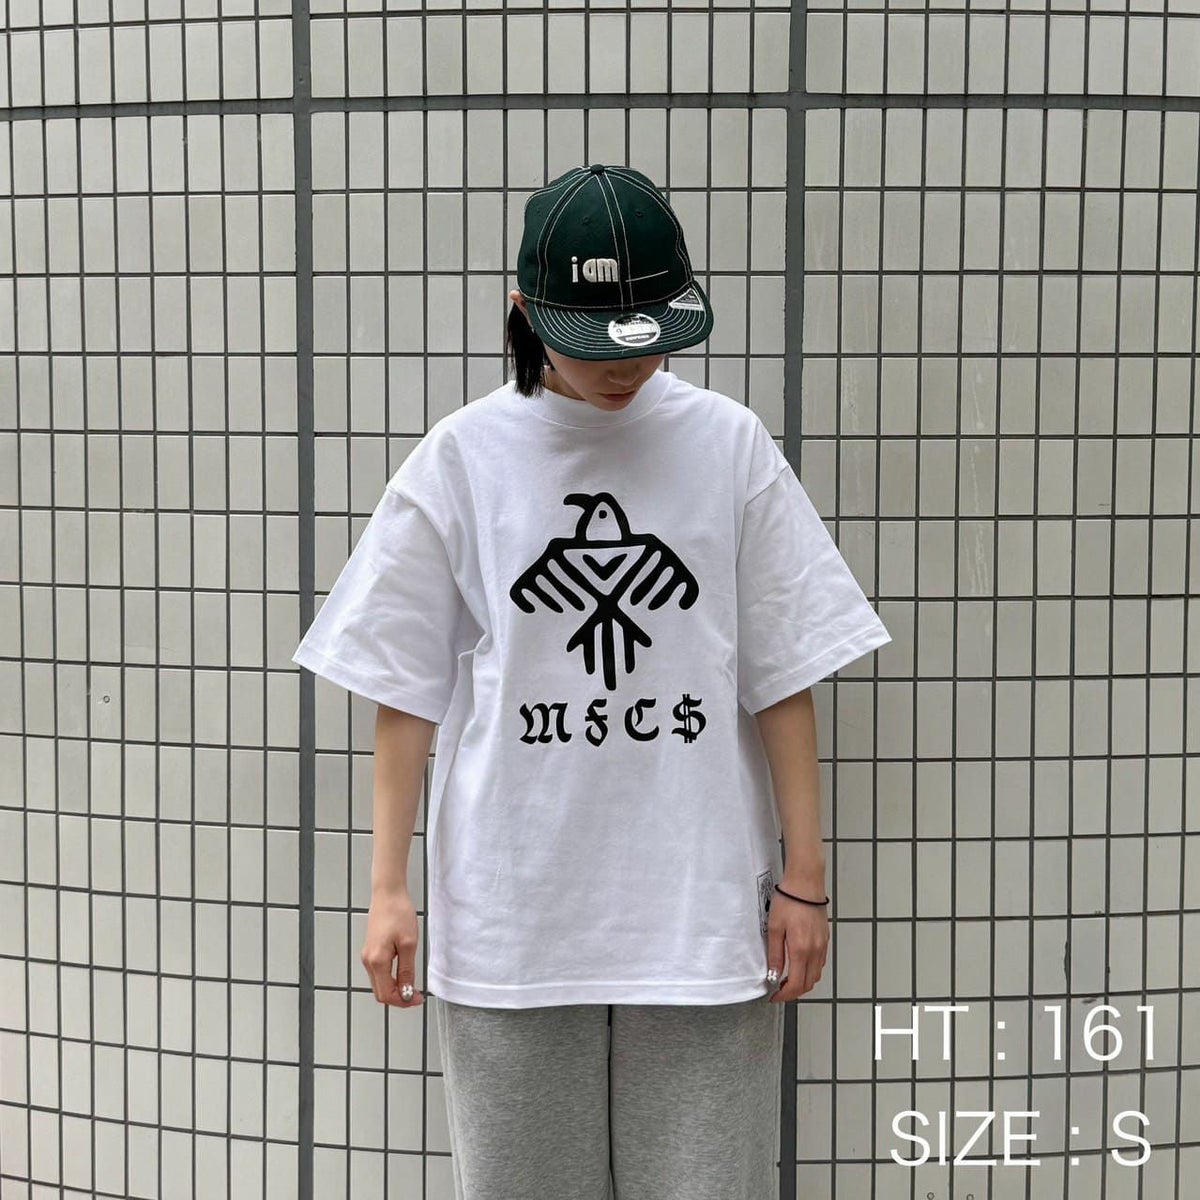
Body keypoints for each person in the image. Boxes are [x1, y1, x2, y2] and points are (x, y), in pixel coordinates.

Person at [291, 163, 892, 1199]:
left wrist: (805, 880)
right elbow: (405, 689)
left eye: (650, 335)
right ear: (524, 311)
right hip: (512, 917)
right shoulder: (461, 460)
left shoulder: (729, 447)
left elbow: (783, 671)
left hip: (699, 915)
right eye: (595, 340)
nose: (628, 366)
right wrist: (388, 890)